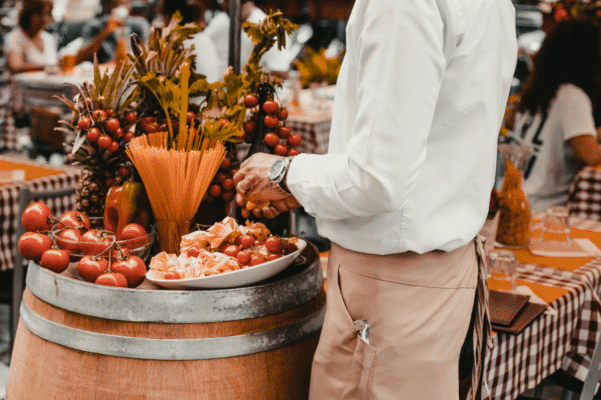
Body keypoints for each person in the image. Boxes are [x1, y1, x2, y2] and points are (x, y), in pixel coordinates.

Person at [232, 0, 517, 398]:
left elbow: (379, 179)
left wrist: (284, 173)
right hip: (441, 278)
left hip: (392, 293)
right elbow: (430, 146)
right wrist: (304, 188)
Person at [507, 19, 601, 212]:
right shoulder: (573, 97)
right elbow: (590, 156)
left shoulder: (537, 92)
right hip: (544, 213)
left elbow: (512, 122)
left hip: (513, 202)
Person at [161, 2, 223, 82]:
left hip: (194, 92)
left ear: (168, 17)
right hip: (212, 91)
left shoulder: (176, 42)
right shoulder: (203, 38)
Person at [75, 0, 150, 64]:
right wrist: (105, 31)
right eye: (115, 4)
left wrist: (121, 34)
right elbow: (80, 58)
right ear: (107, 5)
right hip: (101, 72)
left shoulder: (139, 24)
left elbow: (148, 55)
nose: (120, 8)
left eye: (124, 4)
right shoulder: (95, 25)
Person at [5, 0, 59, 74]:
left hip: (46, 85)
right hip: (21, 85)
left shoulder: (49, 38)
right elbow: (15, 66)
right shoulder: (14, 37)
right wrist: (47, 67)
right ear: (27, 14)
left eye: (47, 14)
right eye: (39, 14)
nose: (44, 19)